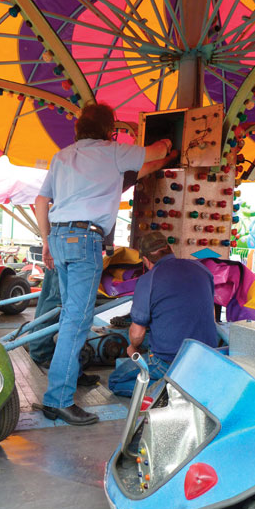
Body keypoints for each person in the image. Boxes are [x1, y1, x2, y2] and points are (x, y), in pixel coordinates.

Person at [35, 102, 176, 426]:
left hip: (59, 236)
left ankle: (71, 374)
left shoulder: (63, 156)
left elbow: (41, 201)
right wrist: (169, 144)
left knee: (71, 314)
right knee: (77, 320)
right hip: (85, 240)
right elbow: (151, 152)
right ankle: (57, 399)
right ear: (109, 129)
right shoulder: (113, 151)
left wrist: (46, 241)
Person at [108, 231, 217, 397]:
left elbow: (137, 334)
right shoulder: (201, 269)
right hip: (206, 356)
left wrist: (133, 349)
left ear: (145, 260)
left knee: (115, 381)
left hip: (169, 360)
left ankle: (166, 392)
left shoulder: (148, 280)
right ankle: (181, 386)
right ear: (170, 248)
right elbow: (212, 313)